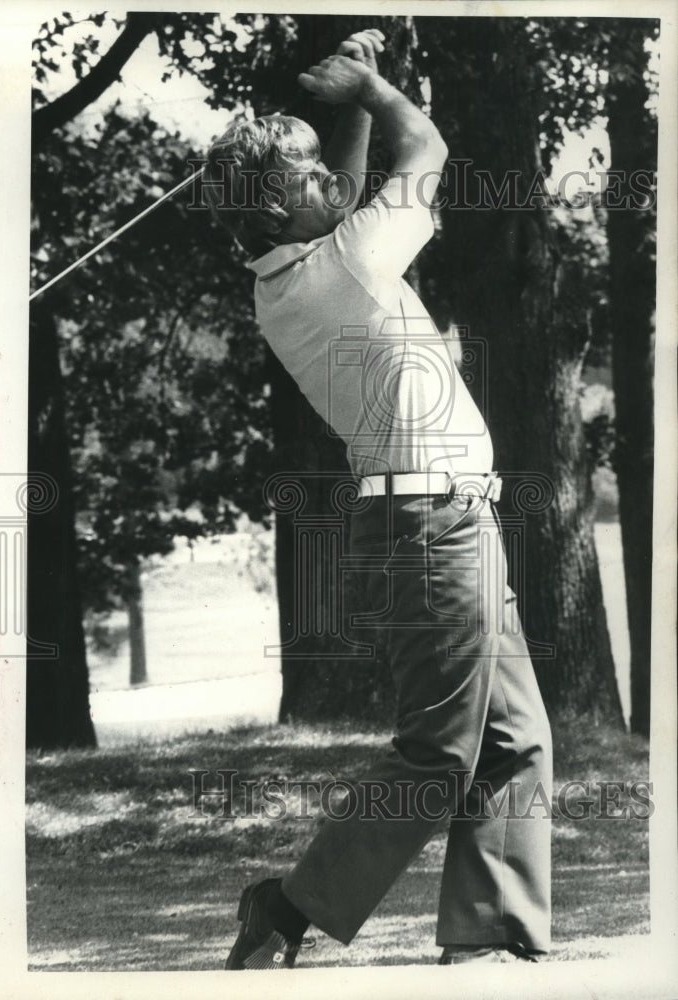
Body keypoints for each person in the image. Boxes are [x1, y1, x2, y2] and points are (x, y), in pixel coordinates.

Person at [203, 28, 553, 969]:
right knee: (439, 751)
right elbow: (427, 151)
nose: (331, 181)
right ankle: (285, 904)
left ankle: (488, 931)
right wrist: (374, 86)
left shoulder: (288, 276)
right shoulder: (348, 267)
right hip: (429, 525)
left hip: (437, 520)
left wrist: (348, 112)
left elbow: (344, 199)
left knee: (514, 737)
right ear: (279, 203)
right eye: (310, 172)